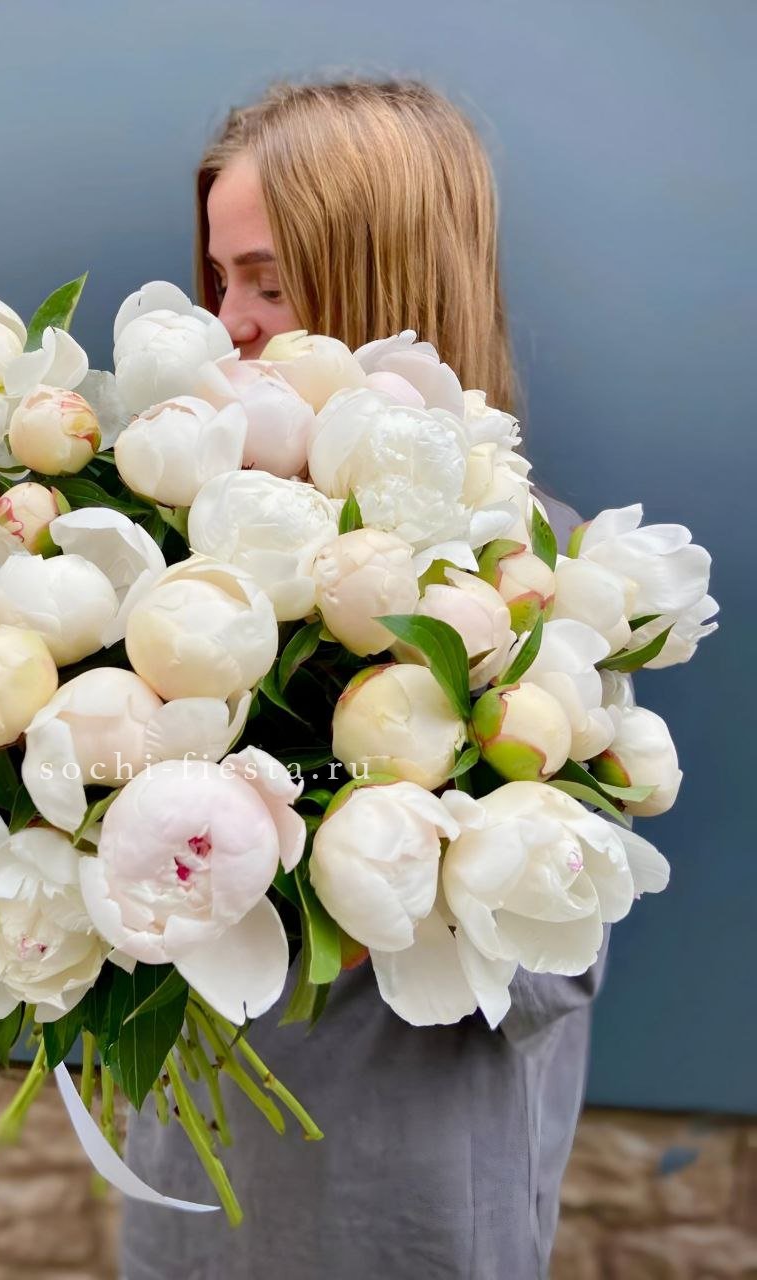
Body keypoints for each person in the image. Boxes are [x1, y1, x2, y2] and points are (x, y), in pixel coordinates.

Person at [118, 76, 610, 1280]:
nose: (227, 323)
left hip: (402, 1204)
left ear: (384, 285)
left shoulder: (525, 574)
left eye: (269, 284)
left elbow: (557, 956)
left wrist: (341, 875)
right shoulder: (177, 559)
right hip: (189, 1183)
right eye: (219, 280)